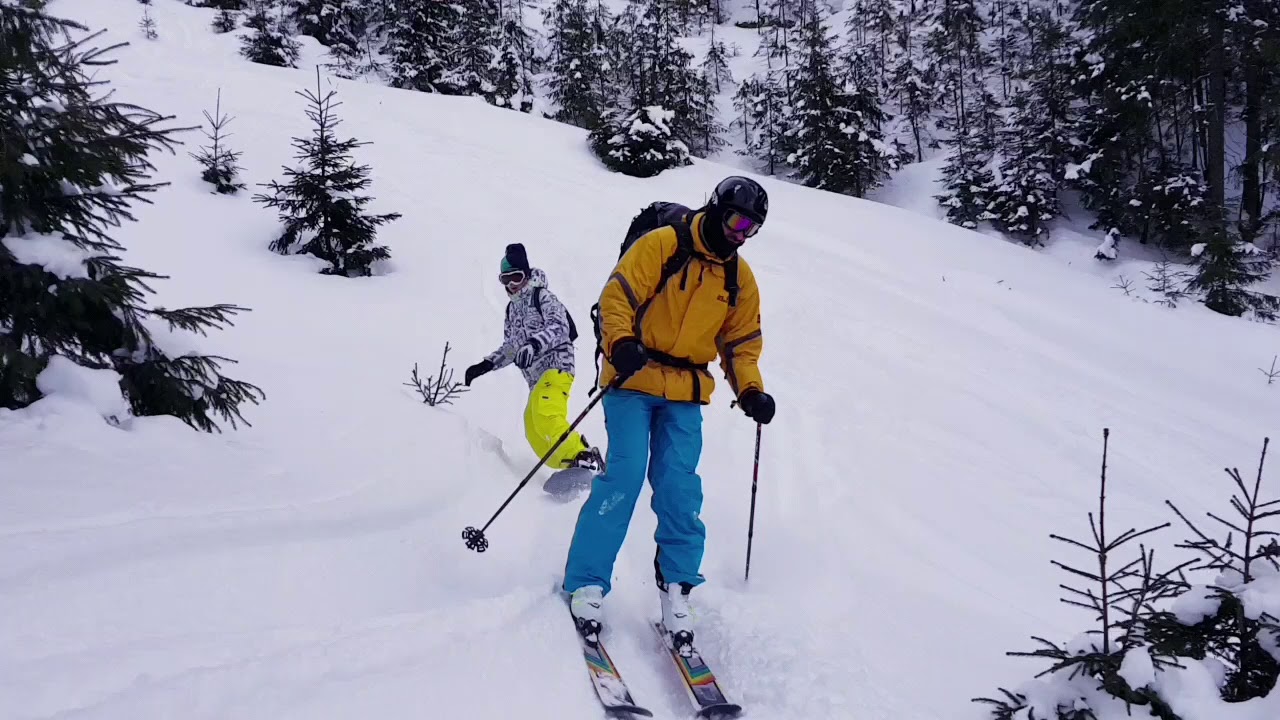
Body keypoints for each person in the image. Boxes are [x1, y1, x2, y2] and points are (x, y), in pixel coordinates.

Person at [562, 177, 777, 653]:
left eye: (753, 229)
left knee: (680, 489)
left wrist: (752, 391)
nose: (742, 234)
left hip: (685, 390)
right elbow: (617, 296)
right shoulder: (664, 244)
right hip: (632, 379)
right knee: (625, 476)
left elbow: (741, 344)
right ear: (718, 209)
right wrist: (620, 343)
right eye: (739, 221)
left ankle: (677, 588)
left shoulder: (738, 279)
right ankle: (586, 583)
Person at [464, 243, 603, 474]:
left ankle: (585, 458)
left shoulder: (543, 296)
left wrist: (534, 344)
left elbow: (561, 326)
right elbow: (511, 346)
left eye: (516, 277)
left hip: (557, 367)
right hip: (536, 379)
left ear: (526, 275)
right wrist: (487, 364)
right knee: (532, 428)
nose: (511, 285)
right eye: (505, 279)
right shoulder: (511, 311)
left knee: (545, 413)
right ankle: (570, 467)